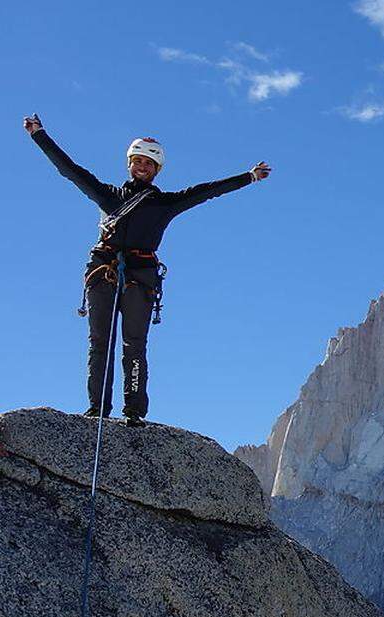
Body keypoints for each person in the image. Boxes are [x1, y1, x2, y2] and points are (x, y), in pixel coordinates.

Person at [24, 113, 271, 427]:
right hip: (104, 272)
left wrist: (248, 177)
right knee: (100, 341)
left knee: (134, 344)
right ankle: (97, 408)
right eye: (137, 161)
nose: (142, 167)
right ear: (129, 164)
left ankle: (133, 411)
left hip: (139, 278)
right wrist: (39, 135)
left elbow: (208, 191)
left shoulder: (165, 204)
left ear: (157, 170)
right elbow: (69, 169)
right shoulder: (109, 195)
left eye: (148, 164)